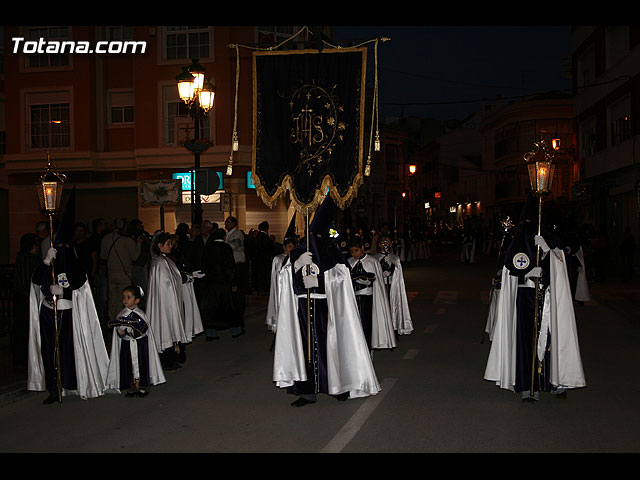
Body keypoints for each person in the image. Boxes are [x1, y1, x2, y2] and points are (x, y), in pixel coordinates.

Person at [273, 196, 380, 407]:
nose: (315, 238)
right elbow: (283, 278)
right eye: (313, 233)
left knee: (329, 347)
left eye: (319, 234)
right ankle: (307, 391)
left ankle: (337, 386)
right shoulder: (298, 252)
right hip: (302, 309)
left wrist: (321, 278)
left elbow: (342, 279)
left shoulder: (331, 253)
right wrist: (296, 267)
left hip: (325, 308)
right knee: (304, 349)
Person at [484, 194, 586, 402]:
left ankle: (554, 380)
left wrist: (548, 253)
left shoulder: (550, 238)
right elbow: (512, 265)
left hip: (548, 296)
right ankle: (528, 386)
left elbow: (561, 264)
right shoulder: (518, 239)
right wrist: (526, 273)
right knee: (525, 339)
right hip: (525, 295)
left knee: (551, 336)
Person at [28, 191, 109, 403]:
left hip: (66, 312)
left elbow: (80, 283)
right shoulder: (47, 264)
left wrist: (64, 291)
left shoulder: (73, 266)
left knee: (66, 349)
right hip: (48, 312)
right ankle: (54, 387)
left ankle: (70, 382)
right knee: (49, 350)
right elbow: (36, 282)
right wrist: (46, 263)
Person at [105, 285, 165, 397]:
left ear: (136, 300)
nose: (125, 300)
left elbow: (144, 330)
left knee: (142, 365)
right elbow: (118, 333)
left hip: (140, 344)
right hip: (127, 344)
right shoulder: (122, 314)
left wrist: (134, 329)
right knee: (128, 365)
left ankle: (143, 386)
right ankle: (130, 387)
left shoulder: (141, 314)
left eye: (128, 297)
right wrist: (121, 331)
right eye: (124, 297)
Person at [146, 232, 189, 372]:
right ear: (159, 245)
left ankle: (173, 358)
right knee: (166, 328)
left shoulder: (164, 260)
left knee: (169, 328)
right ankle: (168, 361)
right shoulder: (160, 263)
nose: (171, 246)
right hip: (165, 304)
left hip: (169, 301)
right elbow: (166, 284)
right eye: (168, 244)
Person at [347, 236, 396, 354]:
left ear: (362, 248)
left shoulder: (372, 261)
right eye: (352, 252)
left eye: (356, 251)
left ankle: (368, 350)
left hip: (367, 297)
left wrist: (365, 281)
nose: (354, 254)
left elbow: (376, 280)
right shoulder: (350, 262)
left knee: (366, 324)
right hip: (353, 297)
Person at [199, 228, 242, 340]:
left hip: (210, 283)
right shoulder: (226, 248)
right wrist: (233, 282)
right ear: (224, 237)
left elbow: (203, 264)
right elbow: (230, 267)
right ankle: (235, 330)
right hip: (224, 283)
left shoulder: (208, 248)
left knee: (211, 309)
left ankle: (211, 333)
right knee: (228, 308)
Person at [100, 219, 142, 325]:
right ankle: (123, 320)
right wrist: (139, 244)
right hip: (125, 274)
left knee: (112, 299)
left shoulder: (106, 238)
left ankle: (112, 320)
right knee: (125, 299)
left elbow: (103, 256)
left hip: (111, 274)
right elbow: (135, 257)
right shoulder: (128, 241)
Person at [373, 235, 414, 336]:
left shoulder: (395, 258)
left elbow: (398, 273)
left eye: (387, 242)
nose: (385, 244)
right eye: (383, 242)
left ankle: (394, 327)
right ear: (379, 244)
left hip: (392, 285)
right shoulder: (375, 258)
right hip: (381, 287)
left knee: (393, 305)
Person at [11, 233, 40, 367]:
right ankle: (23, 357)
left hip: (24, 297)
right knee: (24, 328)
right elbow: (26, 281)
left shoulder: (24, 257)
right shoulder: (27, 259)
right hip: (25, 298)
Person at [266, 214, 298, 332]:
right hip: (281, 289)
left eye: (293, 247)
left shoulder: (296, 259)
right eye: (289, 247)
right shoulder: (278, 259)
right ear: (284, 247)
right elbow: (276, 277)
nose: (291, 249)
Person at [225, 216, 248, 337]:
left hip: (238, 265)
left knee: (238, 293)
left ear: (234, 223)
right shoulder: (228, 234)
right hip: (231, 266)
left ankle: (240, 319)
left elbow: (233, 246)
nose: (226, 224)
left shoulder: (238, 234)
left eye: (228, 222)